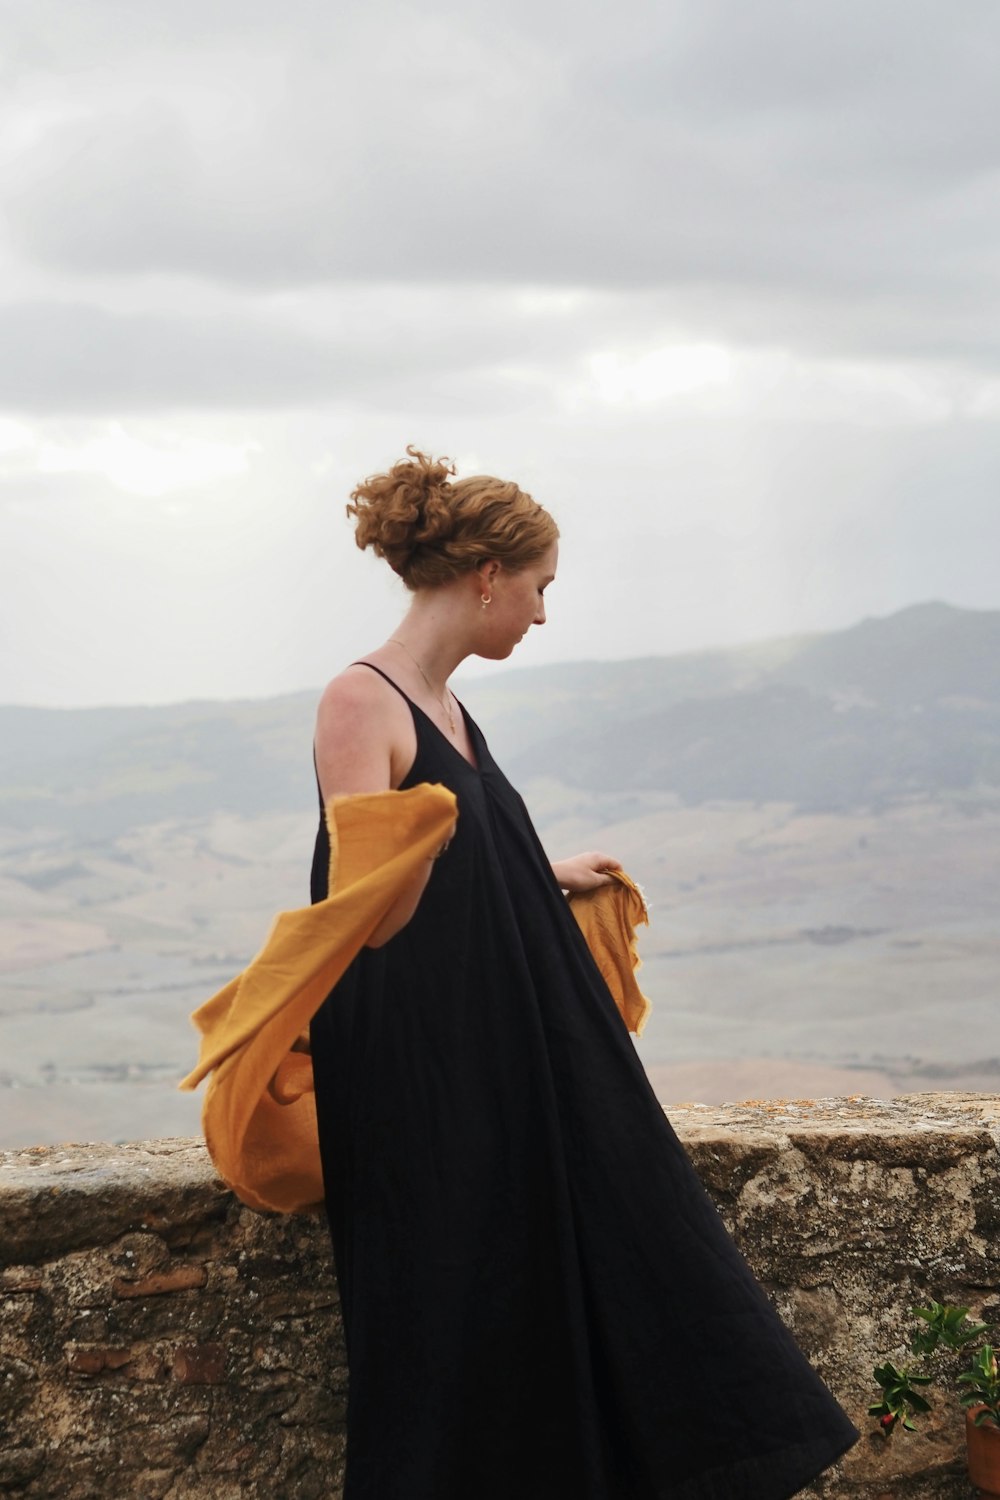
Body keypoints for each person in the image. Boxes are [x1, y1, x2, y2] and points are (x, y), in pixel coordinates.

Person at [308, 447, 858, 1499]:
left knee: (559, 1268)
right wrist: (419, 853)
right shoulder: (359, 701)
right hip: (422, 1072)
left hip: (489, 1046)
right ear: (485, 578)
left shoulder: (447, 707)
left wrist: (537, 870)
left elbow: (450, 848)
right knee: (451, 1305)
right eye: (540, 589)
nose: (543, 615)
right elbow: (368, 917)